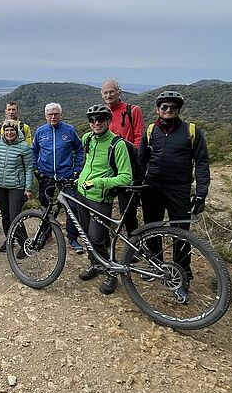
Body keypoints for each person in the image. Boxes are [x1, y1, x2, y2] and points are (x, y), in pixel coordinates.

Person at [137, 90, 211, 304]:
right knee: (152, 229)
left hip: (179, 189)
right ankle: (155, 265)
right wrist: (137, 185)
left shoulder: (191, 131)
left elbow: (202, 162)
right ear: (157, 109)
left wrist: (201, 193)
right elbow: (142, 160)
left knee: (181, 234)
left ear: (178, 109)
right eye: (164, 107)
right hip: (152, 188)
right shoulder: (151, 130)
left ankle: (181, 276)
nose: (168, 110)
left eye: (172, 107)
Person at [75, 105, 133, 295]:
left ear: (108, 121)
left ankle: (111, 273)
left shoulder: (118, 144)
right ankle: (96, 265)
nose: (96, 123)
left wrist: (99, 182)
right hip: (81, 194)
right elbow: (87, 164)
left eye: (100, 119)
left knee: (97, 237)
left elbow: (126, 177)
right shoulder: (87, 139)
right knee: (86, 236)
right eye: (92, 120)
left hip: (101, 198)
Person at [31, 102, 85, 253]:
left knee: (71, 208)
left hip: (66, 175)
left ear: (60, 115)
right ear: (45, 116)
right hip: (46, 175)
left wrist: (77, 169)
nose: (53, 116)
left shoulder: (69, 130)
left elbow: (79, 150)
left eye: (56, 113)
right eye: (50, 114)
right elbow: (34, 150)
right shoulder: (41, 131)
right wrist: (36, 168)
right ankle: (46, 233)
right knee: (45, 207)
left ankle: (73, 239)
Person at [101, 79, 145, 236]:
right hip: (107, 168)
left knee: (127, 209)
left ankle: (134, 243)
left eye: (111, 91)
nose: (109, 95)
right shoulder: (102, 114)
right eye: (105, 92)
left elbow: (139, 137)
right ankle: (104, 240)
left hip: (127, 167)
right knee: (102, 205)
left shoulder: (133, 111)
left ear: (119, 92)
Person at [0, 119, 33, 253]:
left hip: (16, 186)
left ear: (17, 131)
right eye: (7, 130)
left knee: (15, 215)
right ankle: (9, 240)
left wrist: (28, 188)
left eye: (12, 130)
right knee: (5, 215)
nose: (9, 132)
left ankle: (24, 244)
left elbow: (29, 168)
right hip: (0, 184)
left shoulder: (24, 147)